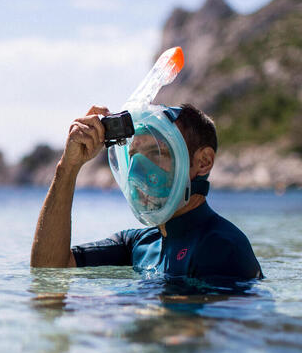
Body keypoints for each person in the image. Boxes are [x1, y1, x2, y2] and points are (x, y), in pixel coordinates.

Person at [30, 103, 263, 281]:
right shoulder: (141, 244)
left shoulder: (221, 247)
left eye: (156, 152)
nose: (138, 170)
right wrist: (68, 168)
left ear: (203, 162)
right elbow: (48, 270)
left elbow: (200, 334)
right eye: (133, 156)